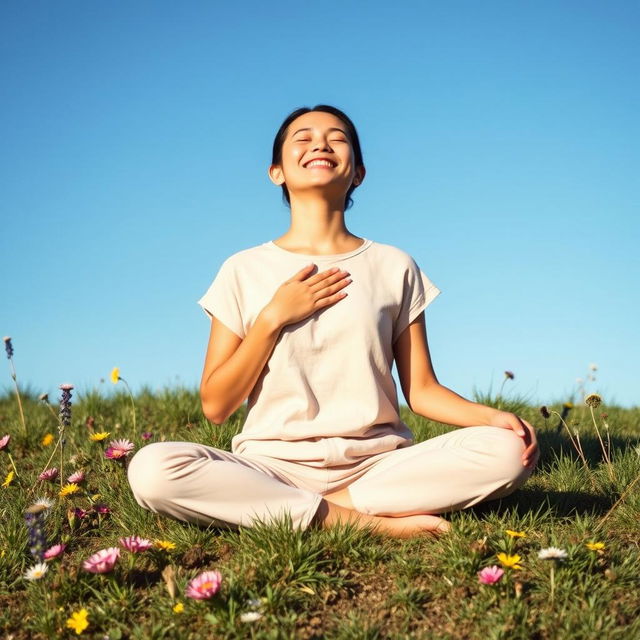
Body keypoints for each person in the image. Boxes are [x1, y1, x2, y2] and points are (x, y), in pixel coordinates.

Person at [127, 104, 540, 539]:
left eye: (337, 137)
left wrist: (491, 416)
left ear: (358, 173)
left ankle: (317, 511)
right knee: (153, 470)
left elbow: (421, 391)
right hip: (271, 467)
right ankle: (368, 525)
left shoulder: (392, 264)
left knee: (508, 451)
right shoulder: (242, 269)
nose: (320, 144)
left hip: (377, 467)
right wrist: (273, 317)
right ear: (277, 172)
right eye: (302, 138)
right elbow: (216, 405)